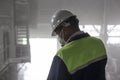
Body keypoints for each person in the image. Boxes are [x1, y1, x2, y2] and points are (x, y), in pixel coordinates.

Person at [47, 10, 107, 80]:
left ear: (65, 27)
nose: (59, 37)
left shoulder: (62, 55)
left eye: (58, 33)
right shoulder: (98, 44)